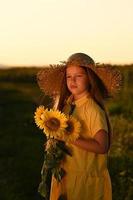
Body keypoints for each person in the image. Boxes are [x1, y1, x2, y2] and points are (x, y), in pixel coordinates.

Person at [37, 52, 122, 200]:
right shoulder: (68, 105)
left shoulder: (92, 109)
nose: (72, 81)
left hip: (85, 180)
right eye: (69, 76)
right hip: (66, 174)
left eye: (79, 76)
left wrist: (69, 138)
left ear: (90, 78)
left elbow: (102, 146)